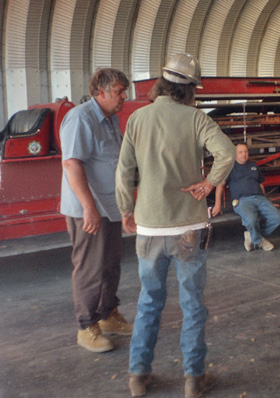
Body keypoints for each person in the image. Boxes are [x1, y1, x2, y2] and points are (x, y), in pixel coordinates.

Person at [115, 53, 236, 398]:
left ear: (162, 84)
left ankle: (138, 377)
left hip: (149, 229)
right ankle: (193, 380)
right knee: (192, 304)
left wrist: (127, 210)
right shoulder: (195, 118)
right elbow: (226, 153)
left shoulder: (137, 119)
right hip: (188, 228)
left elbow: (124, 172)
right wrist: (210, 183)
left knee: (149, 302)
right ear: (189, 90)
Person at [60, 68, 133, 353]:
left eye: (123, 90)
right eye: (118, 91)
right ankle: (86, 327)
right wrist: (89, 208)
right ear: (99, 92)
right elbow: (72, 164)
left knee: (111, 263)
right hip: (88, 210)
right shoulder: (80, 118)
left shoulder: (111, 119)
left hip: (110, 206)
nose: (124, 96)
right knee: (90, 268)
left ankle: (108, 316)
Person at [213, 143, 280, 251]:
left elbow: (260, 184)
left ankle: (252, 235)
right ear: (235, 154)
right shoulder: (230, 167)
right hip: (241, 201)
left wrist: (268, 202)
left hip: (260, 198)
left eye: (245, 151)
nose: (243, 154)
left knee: (277, 218)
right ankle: (259, 241)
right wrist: (217, 205)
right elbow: (220, 185)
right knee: (251, 220)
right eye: (240, 152)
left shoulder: (254, 166)